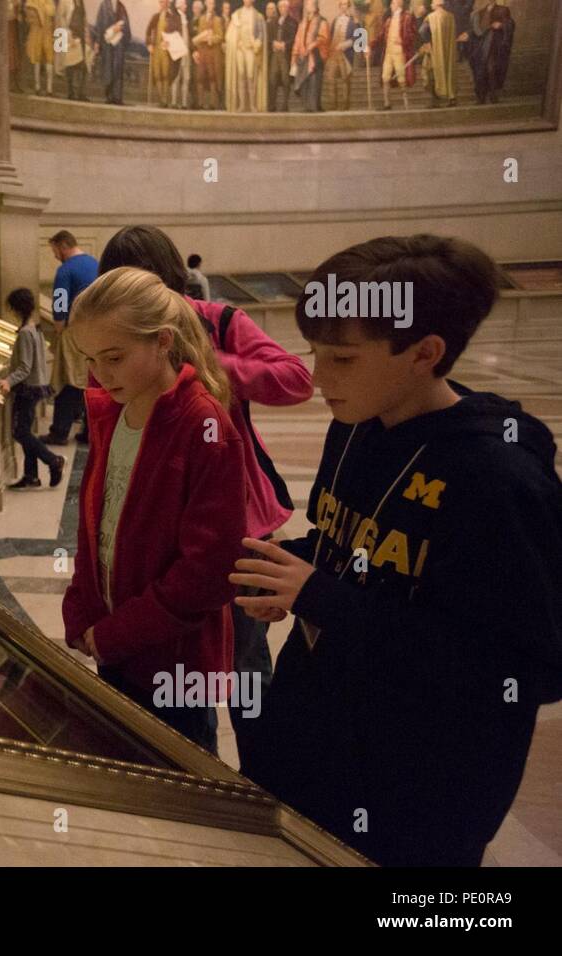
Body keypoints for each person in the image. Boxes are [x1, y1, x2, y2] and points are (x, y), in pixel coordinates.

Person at [234, 235, 562, 866]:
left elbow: (525, 671)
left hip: (416, 795)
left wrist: (322, 597)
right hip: (313, 742)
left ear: (425, 353)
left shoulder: (498, 480)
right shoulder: (355, 421)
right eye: (313, 354)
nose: (316, 378)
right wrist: (283, 566)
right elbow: (356, 547)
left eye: (342, 359)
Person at [99, 225, 313, 764]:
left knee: (244, 660)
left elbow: (295, 379)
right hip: (164, 521)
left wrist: (210, 370)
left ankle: (266, 778)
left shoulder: (218, 321)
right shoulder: (119, 338)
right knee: (184, 661)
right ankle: (201, 777)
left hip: (238, 523)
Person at [62, 267, 248, 754]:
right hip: (117, 645)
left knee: (181, 788)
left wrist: (114, 634)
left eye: (115, 357)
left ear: (163, 341)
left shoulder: (204, 425)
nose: (102, 373)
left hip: (175, 666)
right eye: (92, 360)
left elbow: (208, 572)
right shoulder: (114, 411)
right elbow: (96, 525)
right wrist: (82, 607)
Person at [0, 288, 65, 490]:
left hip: (28, 389)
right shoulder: (34, 329)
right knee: (25, 430)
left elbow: (25, 367)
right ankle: (31, 475)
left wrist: (9, 381)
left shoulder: (26, 333)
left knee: (20, 432)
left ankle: (53, 460)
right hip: (35, 387)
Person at [44, 231, 98, 446]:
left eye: (55, 251)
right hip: (97, 331)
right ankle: (89, 432)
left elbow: (59, 305)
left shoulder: (65, 270)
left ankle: (59, 432)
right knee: (90, 381)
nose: (55, 255)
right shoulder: (95, 263)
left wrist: (59, 329)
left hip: (75, 332)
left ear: (63, 246)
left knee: (68, 382)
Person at [226, 0, 269, 112]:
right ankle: (241, 105)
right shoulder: (237, 14)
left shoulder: (258, 16)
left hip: (250, 49)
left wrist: (257, 42)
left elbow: (260, 33)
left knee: (250, 76)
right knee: (240, 75)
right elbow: (231, 33)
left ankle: (252, 104)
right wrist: (236, 41)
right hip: (240, 48)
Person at [469, 0, 514, 105]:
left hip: (494, 45)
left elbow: (510, 24)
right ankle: (481, 97)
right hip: (481, 46)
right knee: (480, 71)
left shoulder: (503, 10)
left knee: (491, 69)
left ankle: (493, 95)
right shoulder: (480, 12)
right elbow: (475, 29)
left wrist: (502, 25)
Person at [374, 0, 416, 110]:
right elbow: (380, 35)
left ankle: (406, 104)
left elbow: (412, 34)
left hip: (399, 51)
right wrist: (369, 45)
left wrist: (402, 40)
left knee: (401, 78)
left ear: (398, 3)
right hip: (388, 52)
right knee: (385, 77)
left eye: (393, 3)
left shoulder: (407, 17)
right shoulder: (389, 20)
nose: (391, 6)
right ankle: (387, 103)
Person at [292, 0, 330, 111]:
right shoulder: (302, 23)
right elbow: (297, 40)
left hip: (316, 56)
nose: (307, 7)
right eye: (307, 4)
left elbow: (324, 38)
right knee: (304, 82)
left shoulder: (322, 21)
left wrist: (312, 45)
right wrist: (295, 55)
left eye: (310, 4)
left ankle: (314, 106)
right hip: (303, 56)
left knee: (315, 82)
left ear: (315, 7)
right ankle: (306, 107)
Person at [420, 0, 458, 107]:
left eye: (432, 3)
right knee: (449, 71)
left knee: (431, 72)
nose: (431, 5)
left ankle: (435, 100)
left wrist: (427, 43)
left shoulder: (431, 17)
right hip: (448, 51)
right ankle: (452, 98)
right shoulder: (450, 17)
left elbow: (422, 31)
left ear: (437, 4)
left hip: (435, 51)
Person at [93, 0, 132, 105]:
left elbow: (127, 26)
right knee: (108, 69)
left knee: (118, 70)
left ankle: (117, 97)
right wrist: (97, 41)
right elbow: (99, 24)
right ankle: (109, 96)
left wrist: (121, 30)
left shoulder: (121, 7)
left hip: (118, 44)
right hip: (107, 43)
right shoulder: (104, 5)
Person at [324, 0, 359, 111]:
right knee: (330, 78)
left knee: (345, 79)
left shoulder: (353, 21)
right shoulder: (335, 20)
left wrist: (346, 44)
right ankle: (332, 104)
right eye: (341, 5)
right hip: (334, 54)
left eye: (345, 4)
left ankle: (345, 104)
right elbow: (330, 36)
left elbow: (358, 37)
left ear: (348, 6)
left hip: (345, 54)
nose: (343, 7)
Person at [193, 0, 227, 110]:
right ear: (206, 4)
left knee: (213, 78)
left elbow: (220, 36)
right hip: (202, 52)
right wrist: (197, 51)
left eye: (212, 3)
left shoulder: (218, 20)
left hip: (213, 53)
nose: (210, 5)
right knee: (200, 77)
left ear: (214, 5)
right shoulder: (201, 19)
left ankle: (213, 103)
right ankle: (200, 102)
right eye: (209, 3)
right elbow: (198, 36)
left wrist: (211, 39)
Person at [56, 0, 90, 100]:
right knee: (70, 65)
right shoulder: (65, 2)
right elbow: (60, 19)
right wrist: (67, 36)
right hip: (69, 36)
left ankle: (81, 93)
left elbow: (85, 20)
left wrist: (87, 35)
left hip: (81, 37)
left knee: (84, 66)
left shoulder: (82, 3)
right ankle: (71, 93)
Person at [269, 0, 299, 111]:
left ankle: (285, 105)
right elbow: (269, 36)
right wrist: (273, 43)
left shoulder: (293, 22)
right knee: (272, 79)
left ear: (288, 8)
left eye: (285, 6)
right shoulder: (273, 21)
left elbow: (295, 38)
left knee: (286, 80)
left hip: (286, 54)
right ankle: (272, 105)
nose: (283, 8)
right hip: (275, 54)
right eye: (280, 6)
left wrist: (284, 44)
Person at [26, 0, 57, 96]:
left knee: (49, 58)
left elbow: (51, 11)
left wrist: (40, 9)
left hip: (47, 31)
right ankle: (37, 87)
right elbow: (29, 12)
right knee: (36, 57)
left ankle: (49, 89)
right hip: (36, 30)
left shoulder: (49, 2)